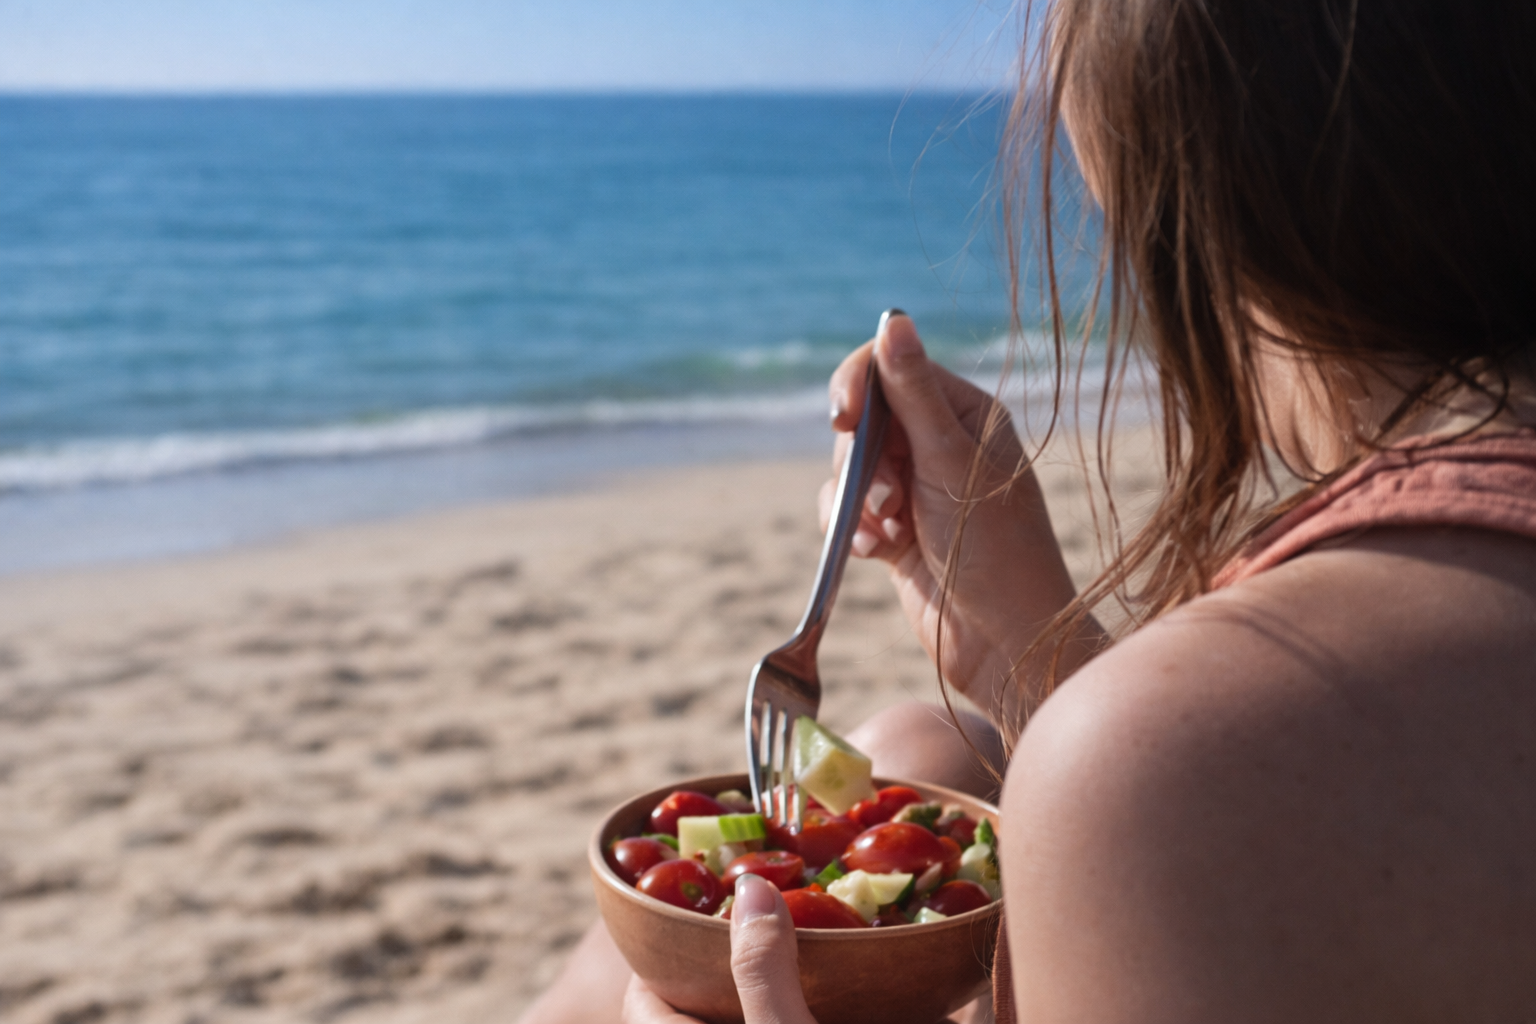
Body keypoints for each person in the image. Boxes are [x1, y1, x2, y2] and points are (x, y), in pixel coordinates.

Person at [526, 1, 1536, 1021]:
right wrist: (1026, 650)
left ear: (1219, 227)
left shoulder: (1173, 775)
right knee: (926, 746)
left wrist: (1108, 734)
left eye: (1118, 219)